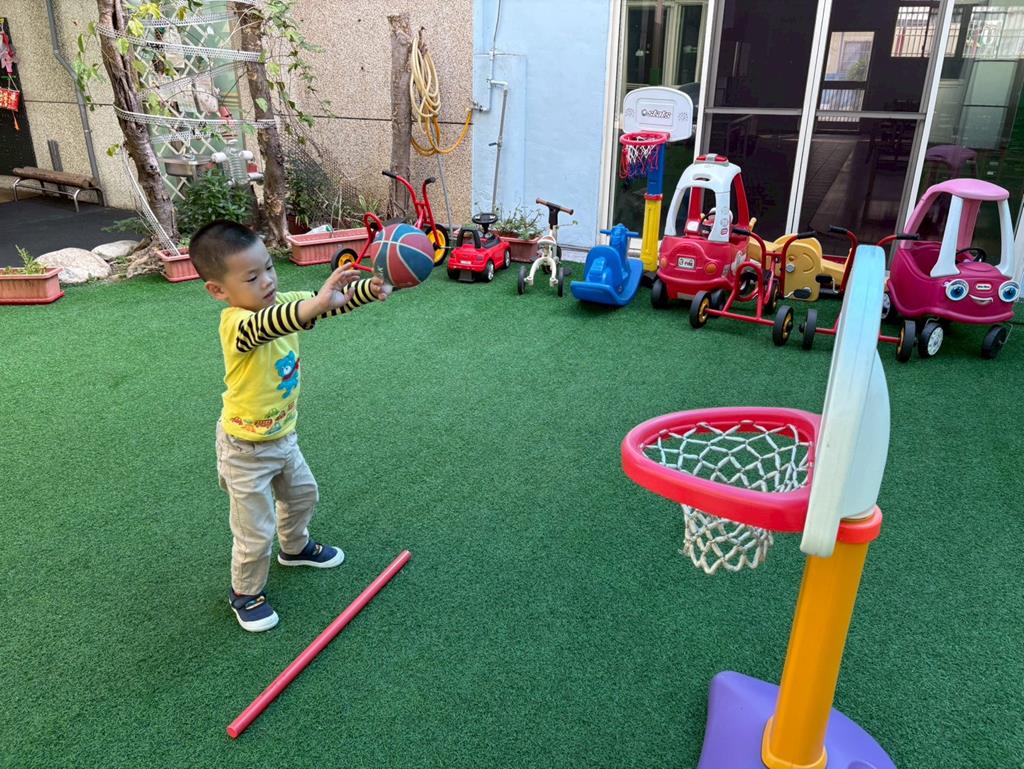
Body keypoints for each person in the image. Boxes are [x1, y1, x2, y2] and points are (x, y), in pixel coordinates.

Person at [189, 219, 386, 632]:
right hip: (244, 450)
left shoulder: (287, 304)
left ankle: (294, 548)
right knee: (254, 532)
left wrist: (372, 289)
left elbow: (325, 303)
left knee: (302, 496)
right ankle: (245, 593)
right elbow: (274, 323)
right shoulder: (236, 324)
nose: (267, 280)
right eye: (251, 277)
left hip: (283, 436)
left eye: (269, 268)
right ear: (218, 290)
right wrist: (315, 305)